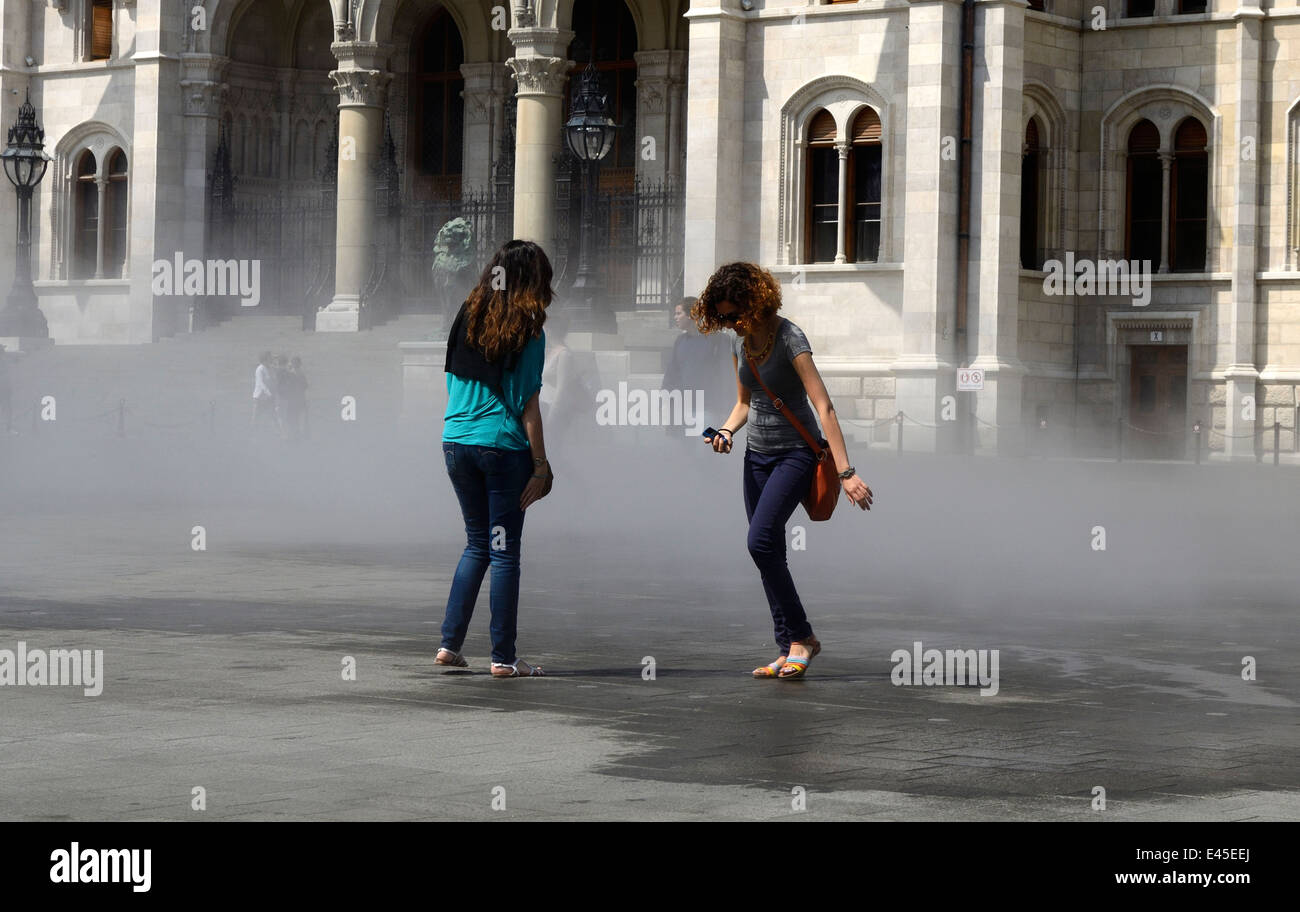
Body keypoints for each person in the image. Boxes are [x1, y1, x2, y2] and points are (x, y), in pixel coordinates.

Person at [695, 263, 873, 680]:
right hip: (755, 456)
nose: (732, 323)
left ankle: (803, 638)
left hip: (796, 454)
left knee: (758, 542)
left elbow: (823, 405)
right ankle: (785, 647)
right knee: (771, 550)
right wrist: (725, 430)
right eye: (724, 317)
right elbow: (744, 402)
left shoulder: (790, 337)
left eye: (735, 313)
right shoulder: (740, 343)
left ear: (755, 301)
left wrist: (846, 473)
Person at [439, 239, 555, 678]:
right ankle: (503, 658)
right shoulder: (529, 329)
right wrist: (541, 465)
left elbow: (450, 379)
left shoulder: (466, 316)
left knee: (477, 544)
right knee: (504, 553)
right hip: (501, 448)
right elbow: (527, 403)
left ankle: (449, 645)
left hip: (455, 441)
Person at [661, 296, 734, 431]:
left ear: (691, 315)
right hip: (681, 411)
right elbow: (671, 375)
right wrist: (666, 404)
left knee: (704, 450)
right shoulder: (680, 341)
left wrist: (725, 409)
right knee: (681, 451)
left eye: (678, 313)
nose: (675, 317)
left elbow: (727, 376)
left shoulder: (717, 340)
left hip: (708, 411)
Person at [281, 356, 309, 440]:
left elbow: (286, 385)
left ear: (293, 364)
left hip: (292, 400)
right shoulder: (301, 373)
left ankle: (292, 434)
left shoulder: (290, 374)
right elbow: (305, 386)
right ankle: (299, 434)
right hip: (300, 398)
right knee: (299, 417)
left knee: (290, 417)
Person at [251, 351, 277, 433]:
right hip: (260, 397)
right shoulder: (260, 369)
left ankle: (275, 434)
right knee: (256, 418)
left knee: (272, 416)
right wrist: (269, 394)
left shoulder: (269, 368)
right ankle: (253, 434)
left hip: (268, 397)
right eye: (270, 357)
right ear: (265, 359)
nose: (272, 358)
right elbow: (261, 383)